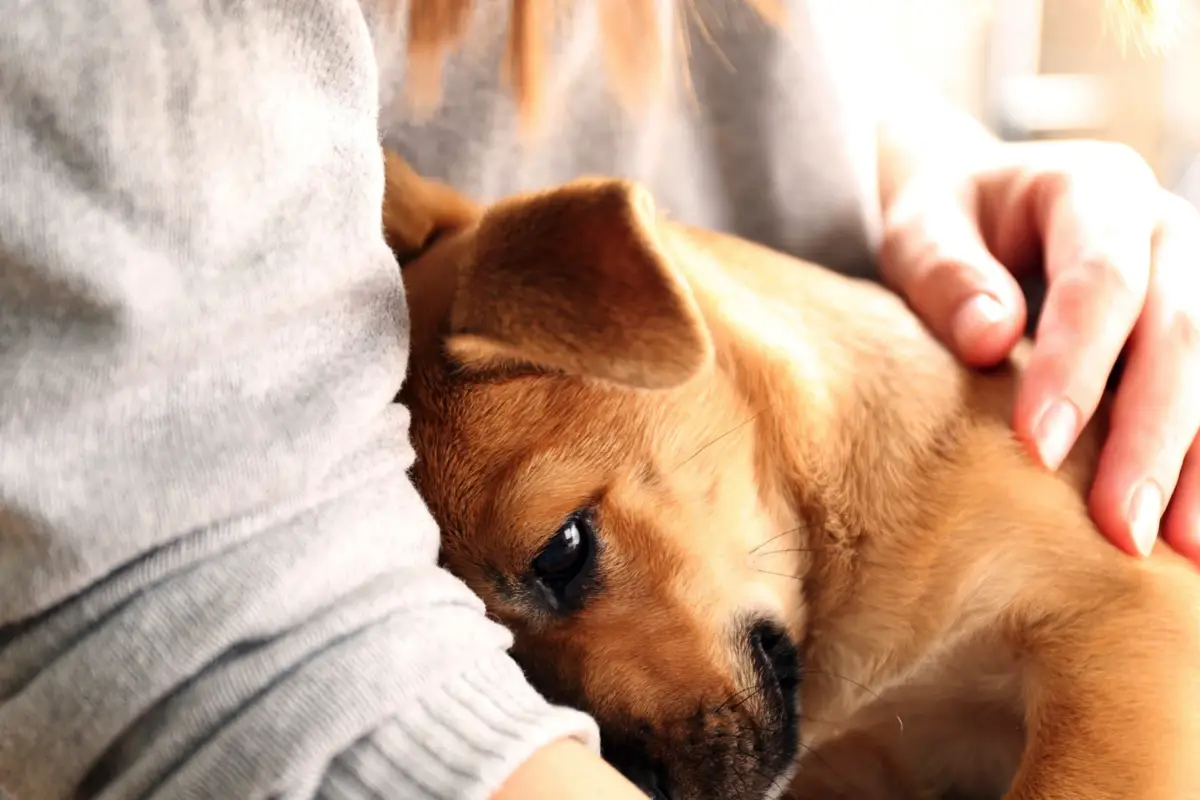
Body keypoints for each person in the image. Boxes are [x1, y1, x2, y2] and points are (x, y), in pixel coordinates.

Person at [0, 1, 1195, 799]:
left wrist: (938, 169)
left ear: (617, 304)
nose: (582, 708)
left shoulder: (947, 508)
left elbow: (1154, 643)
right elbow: (185, 614)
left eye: (568, 555)